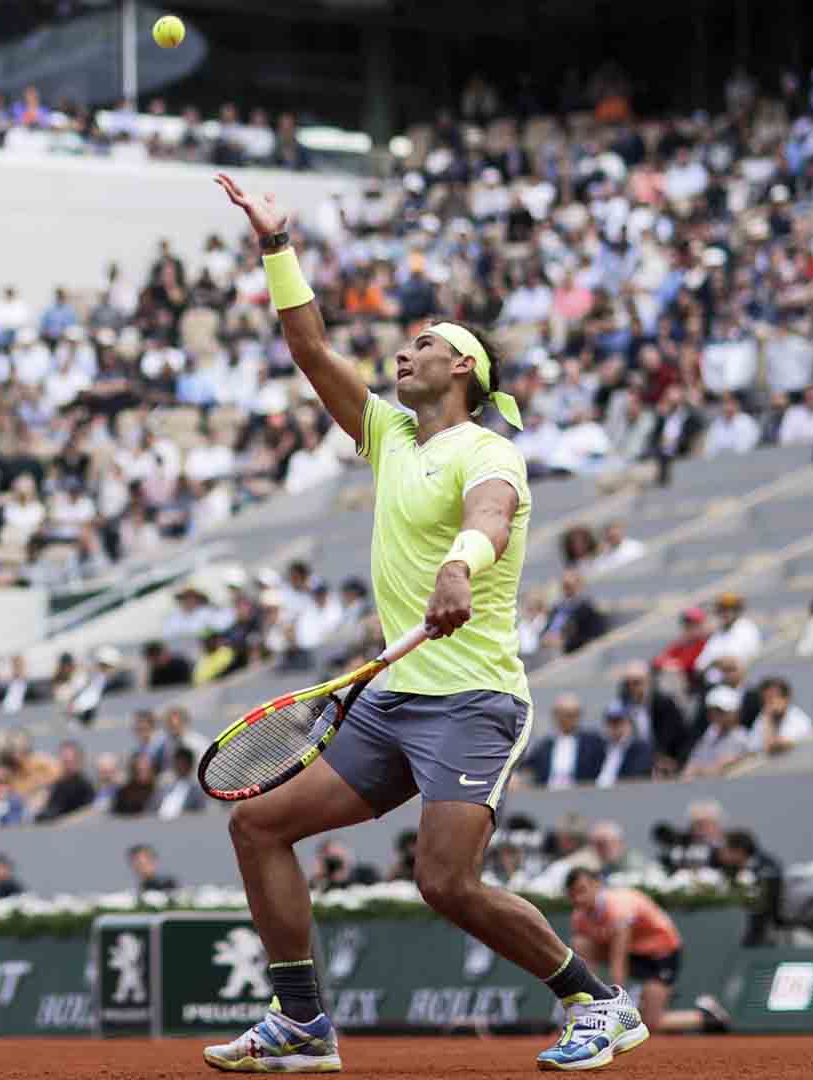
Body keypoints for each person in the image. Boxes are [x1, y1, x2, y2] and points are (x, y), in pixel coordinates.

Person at [207, 175, 642, 1075]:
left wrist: (459, 568)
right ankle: (301, 1023)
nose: (405, 354)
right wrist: (276, 245)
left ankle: (596, 1003)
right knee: (258, 828)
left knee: (445, 882)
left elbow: (488, 519)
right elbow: (308, 344)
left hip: (470, 700)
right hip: (391, 696)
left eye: (426, 345)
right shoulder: (388, 437)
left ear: (467, 371)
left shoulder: (490, 451)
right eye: (406, 346)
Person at [566, 868, 727, 1034]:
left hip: (662, 954)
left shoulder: (618, 909)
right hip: (635, 954)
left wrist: (615, 1011)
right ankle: (590, 1009)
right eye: (572, 894)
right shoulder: (578, 917)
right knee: (581, 943)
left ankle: (709, 1018)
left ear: (596, 885)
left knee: (652, 1023)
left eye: (582, 890)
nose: (578, 899)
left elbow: (619, 963)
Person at [713, 830, 786, 947]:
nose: (719, 853)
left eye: (724, 850)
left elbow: (769, 905)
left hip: (766, 932)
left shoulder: (767, 869)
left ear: (738, 852)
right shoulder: (725, 868)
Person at [521, 694, 605, 789]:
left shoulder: (592, 743)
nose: (570, 719)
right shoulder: (545, 745)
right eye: (566, 715)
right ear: (556, 715)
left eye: (574, 714)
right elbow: (527, 767)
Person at [35, 740, 96, 822]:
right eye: (64, 760)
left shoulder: (85, 786)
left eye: (71, 760)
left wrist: (61, 822)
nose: (67, 764)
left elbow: (89, 812)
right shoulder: (57, 785)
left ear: (80, 760)